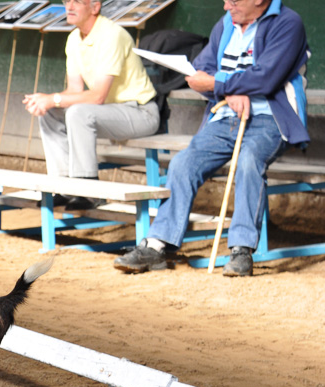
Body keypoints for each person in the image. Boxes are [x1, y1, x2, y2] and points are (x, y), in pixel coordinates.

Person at [114, 0, 309, 277]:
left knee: (249, 159)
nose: (226, 6)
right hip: (224, 116)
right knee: (183, 163)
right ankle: (157, 245)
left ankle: (242, 250)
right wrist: (231, 92)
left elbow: (265, 78)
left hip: (270, 120)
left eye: (234, 0)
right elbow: (199, 71)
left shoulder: (288, 23)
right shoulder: (227, 23)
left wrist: (221, 85)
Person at [23, 0, 159, 211]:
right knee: (51, 113)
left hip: (140, 113)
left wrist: (53, 99)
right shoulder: (73, 39)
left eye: (77, 2)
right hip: (107, 113)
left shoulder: (111, 34)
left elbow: (97, 97)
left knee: (78, 112)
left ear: (95, 7)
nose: (69, 6)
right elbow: (75, 91)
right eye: (67, 1)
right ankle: (64, 187)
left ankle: (89, 190)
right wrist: (47, 100)